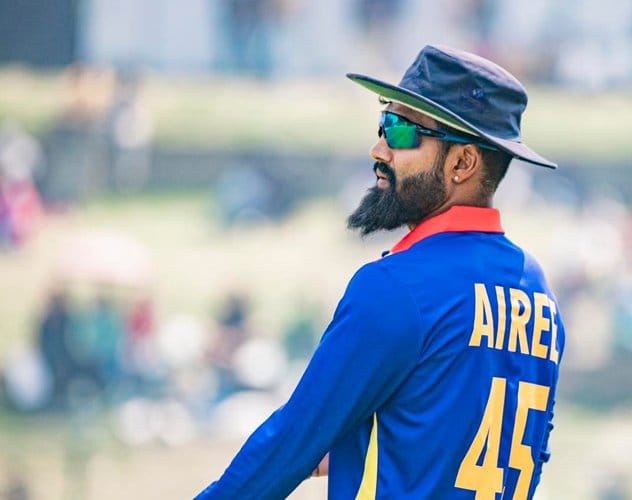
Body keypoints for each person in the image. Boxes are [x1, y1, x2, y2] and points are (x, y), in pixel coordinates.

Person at [196, 44, 565, 499]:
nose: (379, 148)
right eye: (383, 124)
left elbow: (289, 442)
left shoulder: (396, 287)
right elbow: (494, 443)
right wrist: (357, 450)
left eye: (401, 131)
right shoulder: (537, 291)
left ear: (463, 163)